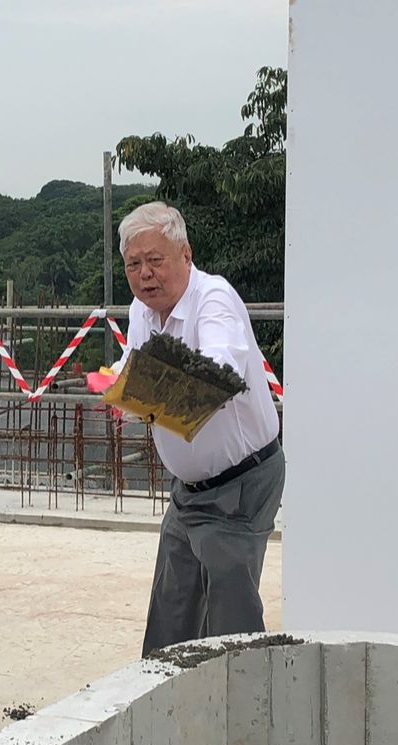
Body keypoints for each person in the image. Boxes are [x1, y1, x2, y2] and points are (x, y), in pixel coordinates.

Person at [115, 202, 285, 657]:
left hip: (239, 482)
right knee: (171, 613)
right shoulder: (141, 310)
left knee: (230, 625)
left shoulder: (214, 299)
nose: (145, 274)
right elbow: (133, 372)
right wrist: (121, 389)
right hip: (188, 489)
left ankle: (247, 710)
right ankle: (166, 710)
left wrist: (134, 389)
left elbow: (216, 376)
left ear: (185, 255)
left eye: (156, 260)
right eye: (134, 264)